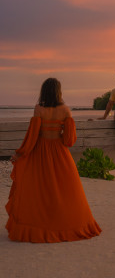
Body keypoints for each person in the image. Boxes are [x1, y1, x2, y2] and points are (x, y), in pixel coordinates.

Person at [5, 78, 101, 243]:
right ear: (58, 91)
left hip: (39, 152)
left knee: (39, 190)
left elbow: (33, 136)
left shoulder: (38, 109)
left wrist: (21, 154)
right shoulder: (65, 110)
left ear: (43, 91)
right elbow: (69, 141)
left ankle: (39, 224)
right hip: (59, 152)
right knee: (65, 190)